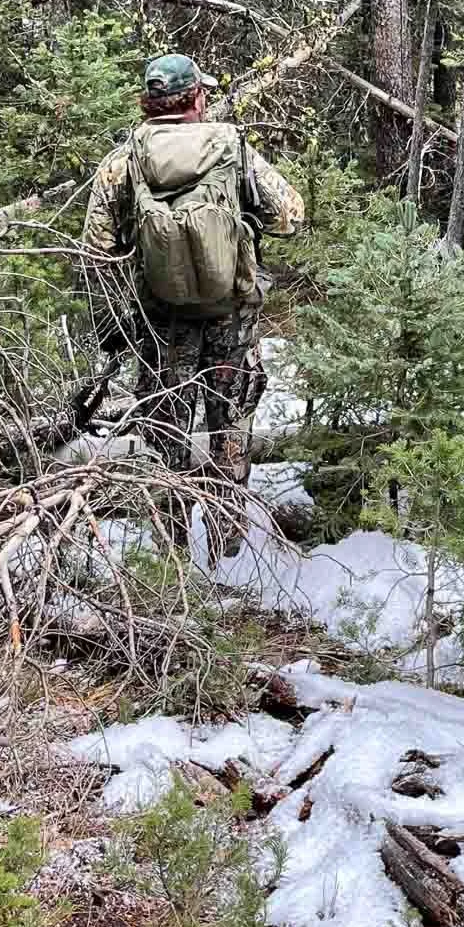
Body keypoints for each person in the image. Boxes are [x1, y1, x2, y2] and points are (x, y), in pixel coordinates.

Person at [82, 52, 304, 555]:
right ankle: (229, 547)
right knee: (229, 424)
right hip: (231, 317)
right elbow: (289, 213)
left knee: (165, 433)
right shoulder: (233, 148)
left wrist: (116, 321)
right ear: (196, 98)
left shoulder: (124, 161)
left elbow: (97, 248)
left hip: (162, 323)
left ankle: (172, 553)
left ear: (148, 103)